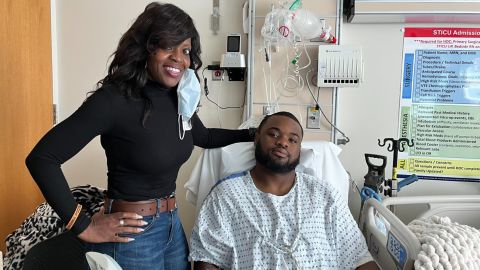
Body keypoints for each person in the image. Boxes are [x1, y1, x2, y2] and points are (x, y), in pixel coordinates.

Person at [23, 2, 254, 270]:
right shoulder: (113, 100)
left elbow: (203, 137)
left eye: (186, 50)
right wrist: (82, 225)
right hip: (131, 235)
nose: (179, 58)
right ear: (147, 47)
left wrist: (252, 134)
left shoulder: (179, 99)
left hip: (171, 226)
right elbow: (42, 158)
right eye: (169, 46)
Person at [189, 111, 380, 270]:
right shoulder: (226, 196)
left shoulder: (325, 195)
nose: (283, 142)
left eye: (293, 139)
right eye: (273, 134)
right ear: (256, 139)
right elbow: (207, 259)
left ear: (299, 149)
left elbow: (359, 257)